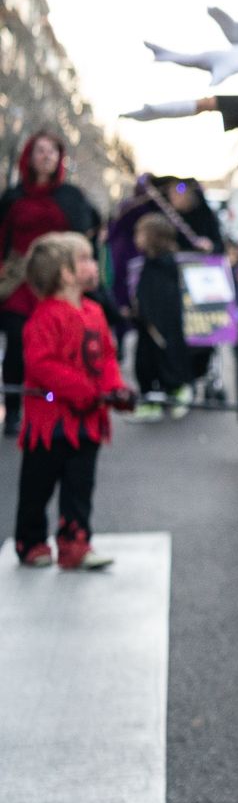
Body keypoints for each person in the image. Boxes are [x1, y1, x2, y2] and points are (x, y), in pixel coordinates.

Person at [13, 232, 132, 571]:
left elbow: (107, 357)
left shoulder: (94, 311)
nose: (94, 265)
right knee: (37, 488)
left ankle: (75, 544)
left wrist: (116, 389)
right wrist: (85, 390)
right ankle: (31, 541)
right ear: (65, 274)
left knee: (80, 487)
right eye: (85, 260)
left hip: (88, 423)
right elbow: (41, 365)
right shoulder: (45, 317)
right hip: (50, 425)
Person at [2, 133, 104, 437]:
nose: (46, 157)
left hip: (59, 282)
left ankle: (60, 402)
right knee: (18, 343)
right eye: (40, 151)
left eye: (52, 152)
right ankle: (14, 408)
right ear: (29, 157)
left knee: (60, 344)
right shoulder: (13, 197)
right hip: (19, 282)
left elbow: (87, 232)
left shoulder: (71, 197)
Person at [130, 213, 193, 420]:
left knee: (167, 362)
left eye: (140, 233)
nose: (136, 238)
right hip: (147, 327)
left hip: (162, 327)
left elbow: (163, 299)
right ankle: (151, 402)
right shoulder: (149, 262)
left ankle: (176, 394)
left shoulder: (164, 265)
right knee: (146, 364)